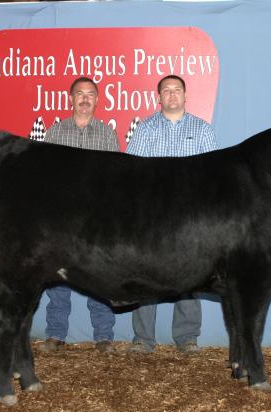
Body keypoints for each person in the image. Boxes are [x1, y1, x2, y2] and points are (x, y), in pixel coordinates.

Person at [126, 75, 218, 354]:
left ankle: (187, 336)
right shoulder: (145, 129)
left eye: (177, 90)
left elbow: (213, 177)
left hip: (190, 216)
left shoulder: (202, 130)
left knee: (190, 274)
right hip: (151, 215)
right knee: (144, 273)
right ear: (159, 97)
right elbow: (131, 172)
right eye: (166, 90)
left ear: (185, 95)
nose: (172, 95)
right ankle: (143, 338)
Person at [39, 77, 119, 354]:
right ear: (70, 99)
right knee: (58, 277)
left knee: (99, 276)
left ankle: (104, 336)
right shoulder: (55, 133)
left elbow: (113, 181)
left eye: (90, 95)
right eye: (79, 94)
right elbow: (46, 178)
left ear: (97, 100)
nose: (85, 99)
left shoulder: (107, 135)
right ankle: (56, 333)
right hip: (62, 219)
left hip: (96, 220)